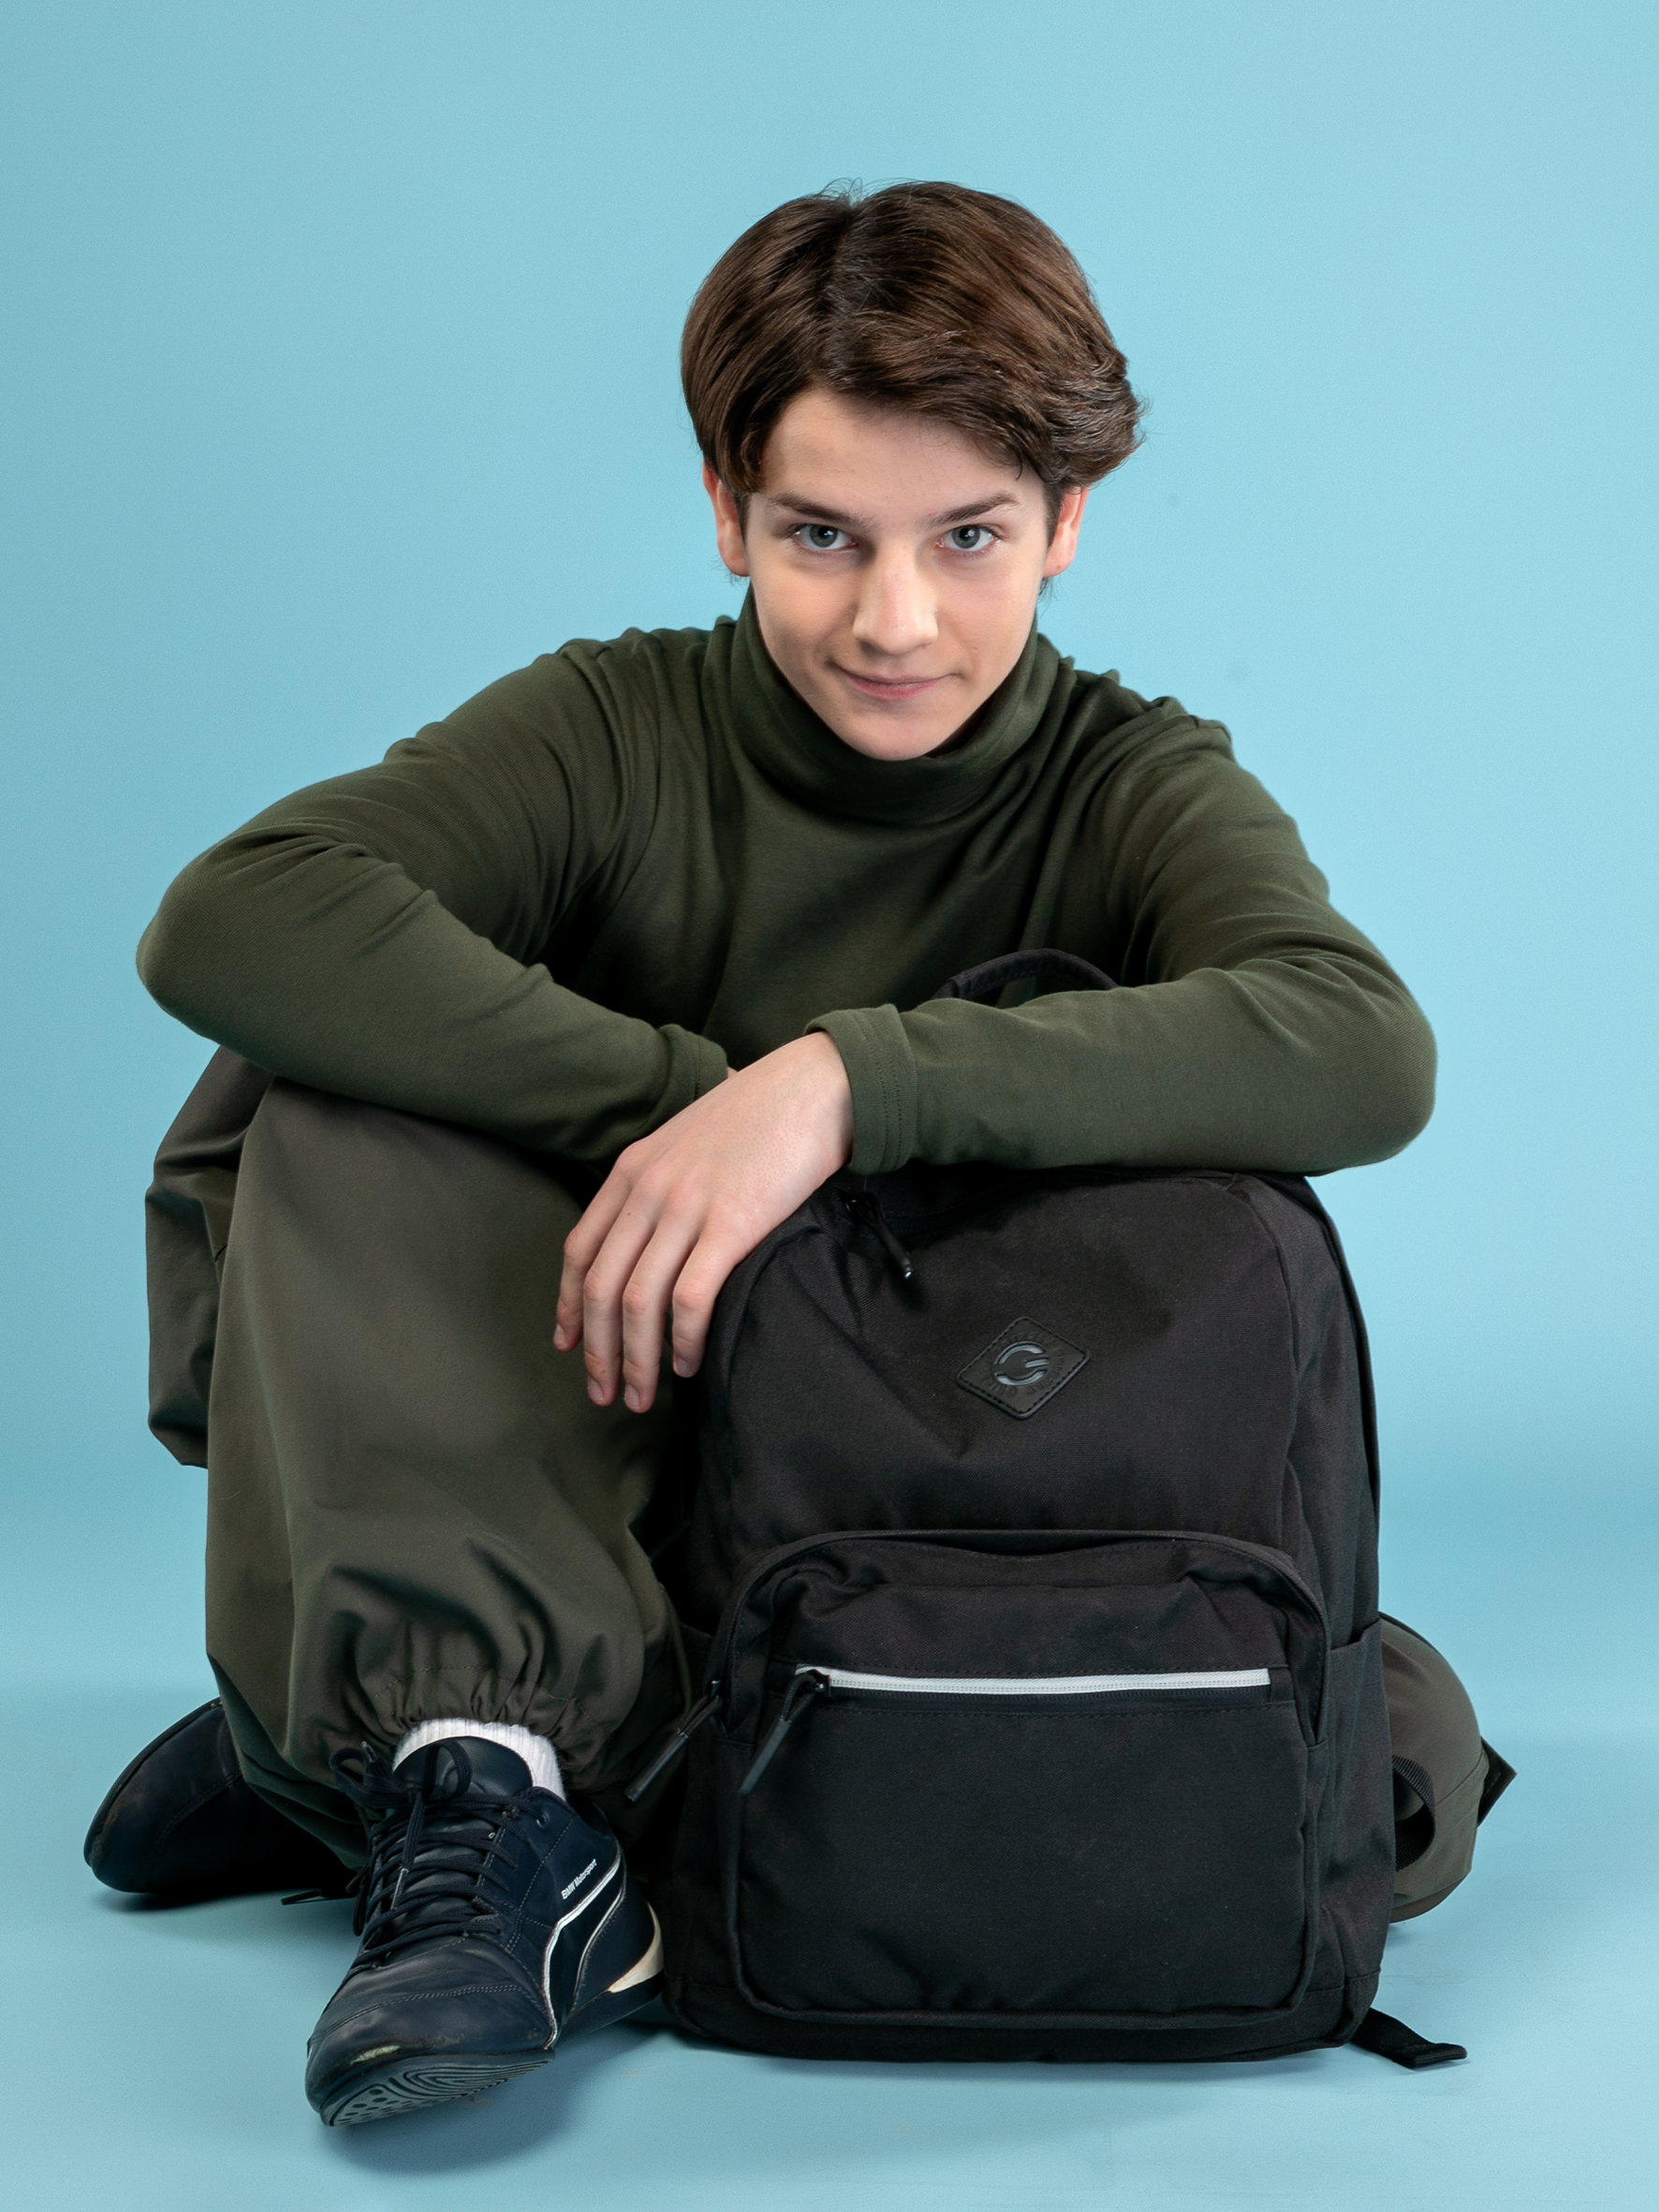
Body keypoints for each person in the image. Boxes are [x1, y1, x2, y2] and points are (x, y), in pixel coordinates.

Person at [86, 182, 1511, 2125]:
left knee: (1381, 1745)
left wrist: (839, 1089)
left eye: (968, 537)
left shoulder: (1130, 779)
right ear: (724, 509)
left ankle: (389, 1747)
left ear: (1068, 520)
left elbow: (1357, 1043)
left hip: (938, 1486)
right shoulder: (621, 726)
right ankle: (463, 1760)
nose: (891, 619)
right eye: (819, 534)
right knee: (313, 1077)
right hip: (605, 1429)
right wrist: (688, 1102)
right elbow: (237, 914)